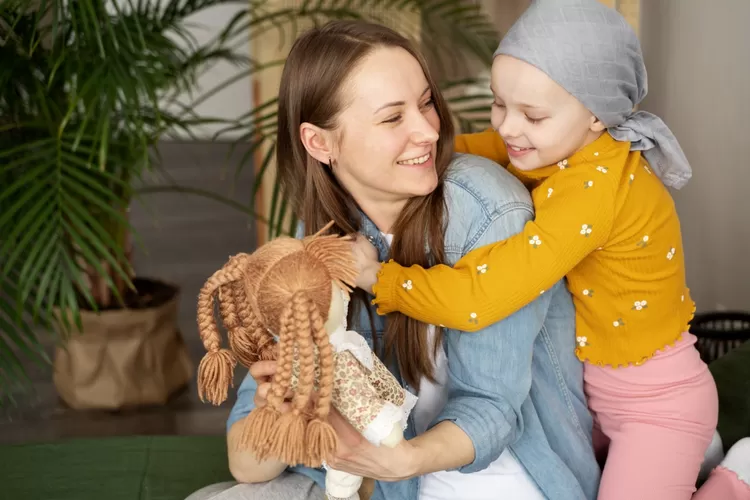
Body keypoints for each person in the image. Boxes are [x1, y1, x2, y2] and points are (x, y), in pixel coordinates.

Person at [187, 19, 600, 500]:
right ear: (321, 142)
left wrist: (401, 461)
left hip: (485, 469)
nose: (427, 130)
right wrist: (280, 407)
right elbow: (247, 464)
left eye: (426, 103)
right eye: (392, 118)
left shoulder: (489, 211)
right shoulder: (315, 242)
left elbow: (491, 408)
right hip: (369, 477)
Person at [353, 1, 750, 499]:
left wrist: (381, 279)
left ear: (597, 117)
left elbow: (483, 296)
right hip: (597, 389)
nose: (508, 127)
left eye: (531, 115)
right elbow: (471, 148)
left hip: (656, 403)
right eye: (499, 104)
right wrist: (397, 160)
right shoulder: (556, 143)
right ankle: (686, 459)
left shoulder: (593, 193)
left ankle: (735, 478)